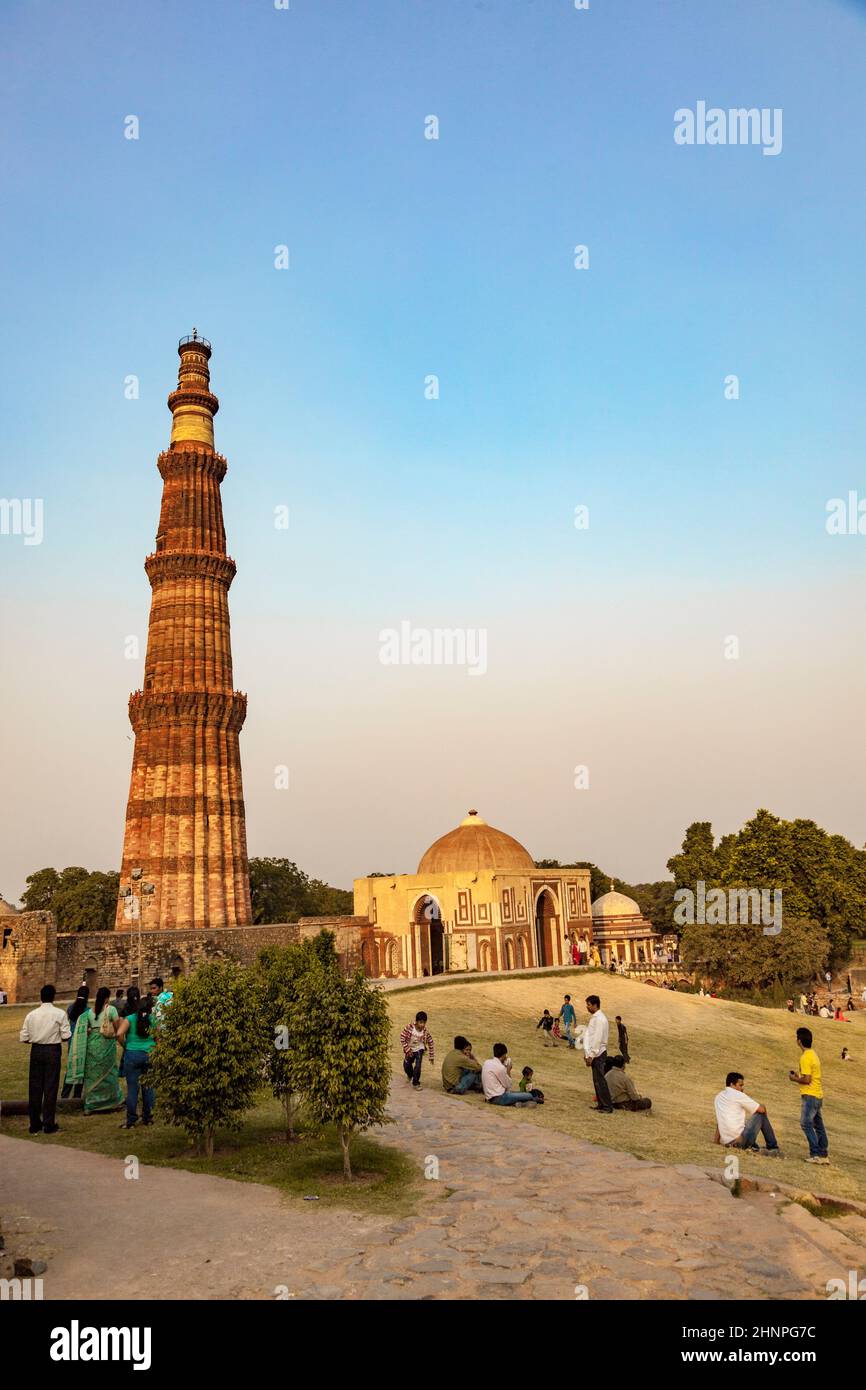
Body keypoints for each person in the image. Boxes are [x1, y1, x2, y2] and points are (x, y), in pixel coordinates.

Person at [19, 984, 71, 1134]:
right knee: (50, 1087)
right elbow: (66, 1035)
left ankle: (34, 1123)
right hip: (52, 1050)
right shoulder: (59, 1014)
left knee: (35, 1087)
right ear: (54, 997)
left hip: (36, 1050)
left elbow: (24, 1037)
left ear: (40, 997)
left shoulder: (31, 1015)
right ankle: (49, 1123)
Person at [65, 985, 123, 1114]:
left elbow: (87, 1029)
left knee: (92, 1075)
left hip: (92, 1046)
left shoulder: (90, 1012)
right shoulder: (111, 1010)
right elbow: (117, 1029)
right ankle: (111, 1103)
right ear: (107, 998)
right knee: (109, 1074)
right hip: (107, 1044)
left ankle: (91, 1105)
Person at [713, 1072, 781, 1154]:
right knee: (761, 1114)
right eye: (740, 1085)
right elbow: (761, 1109)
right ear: (732, 1085)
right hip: (740, 1140)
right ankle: (773, 1147)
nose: (742, 1088)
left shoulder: (718, 1097)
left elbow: (720, 1120)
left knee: (746, 1123)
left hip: (728, 1143)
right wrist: (763, 1119)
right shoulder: (738, 1094)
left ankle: (754, 1148)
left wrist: (716, 1141)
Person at [789, 1027, 829, 1165]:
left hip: (810, 1095)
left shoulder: (805, 1057)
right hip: (818, 1094)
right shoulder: (814, 1054)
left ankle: (815, 1153)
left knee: (805, 1124)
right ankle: (823, 1154)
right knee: (818, 1125)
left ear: (799, 1041)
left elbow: (807, 1080)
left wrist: (794, 1079)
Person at [116, 995, 156, 1128]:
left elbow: (119, 1034)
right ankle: (148, 1117)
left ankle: (131, 1120)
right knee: (149, 1088)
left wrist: (126, 1045)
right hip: (149, 1054)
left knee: (133, 1089)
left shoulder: (130, 1019)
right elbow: (159, 1037)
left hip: (132, 1055)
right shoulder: (152, 1019)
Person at [583, 994, 613, 1113]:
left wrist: (591, 1055)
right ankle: (601, 1104)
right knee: (596, 1081)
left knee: (600, 1080)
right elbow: (589, 1036)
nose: (587, 1007)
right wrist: (587, 1053)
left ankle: (607, 1106)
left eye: (589, 1005)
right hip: (594, 1053)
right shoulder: (595, 1018)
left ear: (595, 1005)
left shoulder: (600, 1019)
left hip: (598, 1053)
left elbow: (597, 1039)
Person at [61, 985, 90, 1098]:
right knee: (80, 1069)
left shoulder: (70, 1008)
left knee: (70, 1069)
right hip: (82, 1042)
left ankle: (65, 1094)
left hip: (72, 1042)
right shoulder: (88, 1011)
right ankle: (77, 1096)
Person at [400, 1011, 434, 1088]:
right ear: (416, 1021)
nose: (422, 1025)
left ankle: (416, 1083)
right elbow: (402, 1038)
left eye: (424, 1023)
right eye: (420, 1022)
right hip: (410, 1049)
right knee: (407, 1065)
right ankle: (410, 1075)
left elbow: (431, 1042)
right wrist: (408, 1049)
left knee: (418, 1066)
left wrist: (431, 1056)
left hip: (419, 1049)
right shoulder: (409, 1028)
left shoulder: (425, 1032)